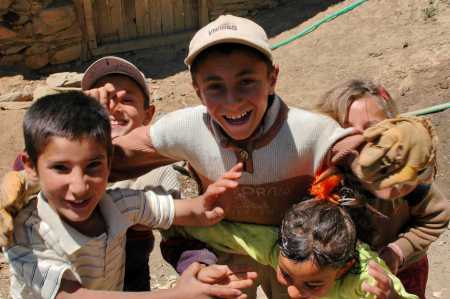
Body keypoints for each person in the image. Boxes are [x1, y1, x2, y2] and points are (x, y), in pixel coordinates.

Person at [97, 15, 436, 299]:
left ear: (272, 77)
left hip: (293, 261)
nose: (231, 101)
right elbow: (109, 159)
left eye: (247, 81)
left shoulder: (310, 132)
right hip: (226, 252)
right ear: (196, 89)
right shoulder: (182, 128)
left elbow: (359, 158)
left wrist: (399, 146)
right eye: (214, 86)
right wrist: (77, 119)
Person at [2, 92, 256, 299]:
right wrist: (177, 295)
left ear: (110, 162)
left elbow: (176, 211)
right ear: (30, 165)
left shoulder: (121, 204)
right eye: (60, 168)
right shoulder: (26, 232)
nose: (79, 186)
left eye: (93, 166)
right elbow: (72, 296)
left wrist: (207, 204)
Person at [2, 56, 186, 291]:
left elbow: (178, 221)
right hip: (66, 272)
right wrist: (75, 116)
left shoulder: (155, 163)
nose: (114, 107)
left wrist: (195, 264)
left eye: (127, 99)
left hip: (129, 269)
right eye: (103, 99)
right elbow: (33, 169)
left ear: (148, 114)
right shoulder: (69, 162)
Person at [312, 79, 450, 299]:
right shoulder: (324, 180)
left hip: (404, 271)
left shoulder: (407, 175)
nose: (362, 142)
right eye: (347, 132)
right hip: (347, 278)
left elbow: (437, 216)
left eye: (374, 130)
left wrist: (398, 252)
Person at [172, 197, 419, 299]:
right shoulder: (274, 246)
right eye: (286, 275)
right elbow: (224, 233)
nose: (293, 292)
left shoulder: (368, 279)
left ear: (344, 269)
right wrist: (163, 215)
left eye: (313, 284)